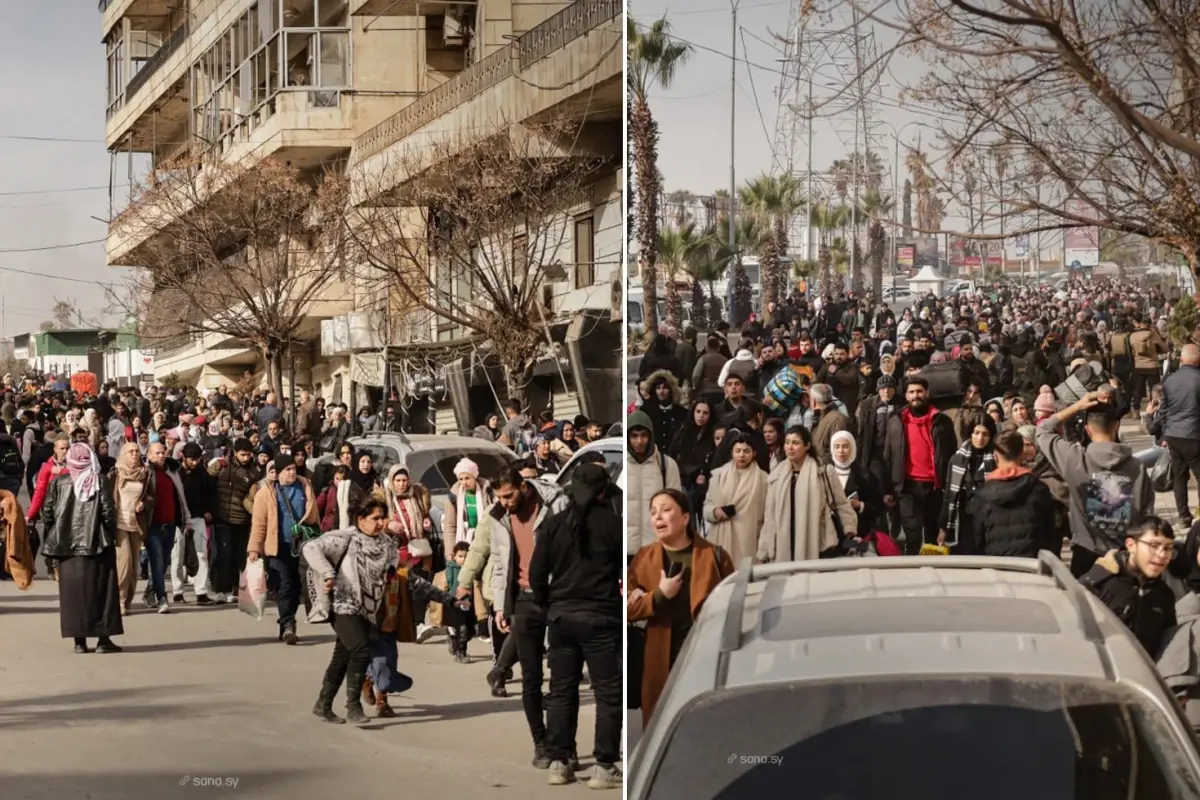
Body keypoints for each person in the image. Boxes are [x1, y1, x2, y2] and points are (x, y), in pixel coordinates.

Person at [303, 497, 456, 725]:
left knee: (341, 658)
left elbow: (408, 579)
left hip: (369, 610)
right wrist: (327, 574)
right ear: (360, 519)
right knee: (361, 650)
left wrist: (447, 598)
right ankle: (353, 706)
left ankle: (323, 704)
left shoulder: (386, 545)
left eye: (383, 517)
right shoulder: (346, 538)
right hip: (343, 605)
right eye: (375, 518)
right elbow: (311, 547)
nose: (380, 522)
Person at [529, 463, 623, 790]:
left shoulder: (553, 525)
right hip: (601, 618)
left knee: (561, 691)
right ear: (602, 492)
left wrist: (548, 604)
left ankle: (560, 761)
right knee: (608, 694)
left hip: (561, 618)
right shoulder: (613, 525)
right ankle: (604, 766)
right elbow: (628, 568)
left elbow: (537, 573)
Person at [627, 489, 734, 727]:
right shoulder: (645, 558)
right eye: (653, 513)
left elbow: (735, 607)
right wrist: (658, 597)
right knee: (660, 729)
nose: (658, 518)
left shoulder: (714, 556)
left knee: (704, 726)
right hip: (658, 660)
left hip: (703, 659)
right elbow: (625, 609)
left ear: (686, 518)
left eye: (666, 510)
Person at [488, 467, 570, 769]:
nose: (506, 502)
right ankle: (541, 743)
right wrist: (500, 606)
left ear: (523, 486)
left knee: (563, 676)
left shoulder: (554, 503)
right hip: (522, 599)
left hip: (556, 597)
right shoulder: (497, 515)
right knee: (531, 678)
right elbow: (499, 561)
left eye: (509, 495)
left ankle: (565, 743)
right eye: (500, 497)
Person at [1036, 393, 1155, 577]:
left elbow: (1043, 430)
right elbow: (1147, 515)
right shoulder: (1137, 467)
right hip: (1125, 554)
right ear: (1116, 427)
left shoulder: (1074, 459)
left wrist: (1076, 406)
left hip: (1086, 553)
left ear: (1088, 430)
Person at [41, 443, 123, 654]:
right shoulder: (99, 481)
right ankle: (103, 639)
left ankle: (79, 641)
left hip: (67, 549)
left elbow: (47, 513)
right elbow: (108, 513)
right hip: (97, 546)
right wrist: (110, 536)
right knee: (103, 593)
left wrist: (57, 538)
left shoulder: (59, 483)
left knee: (73, 596)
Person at [1078, 516, 1177, 657]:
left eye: (1167, 548)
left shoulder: (1164, 595)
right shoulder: (1097, 584)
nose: (1162, 554)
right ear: (1131, 545)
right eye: (1153, 546)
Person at [758, 426, 856, 562]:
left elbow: (841, 504)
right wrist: (763, 550)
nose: (790, 447)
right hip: (784, 542)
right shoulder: (777, 475)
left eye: (796, 443)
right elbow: (769, 517)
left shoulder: (823, 472)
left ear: (807, 445)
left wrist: (850, 532)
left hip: (817, 541)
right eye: (787, 442)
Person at [881, 377, 957, 555]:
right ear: (906, 396)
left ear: (927, 393)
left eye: (919, 391)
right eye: (912, 392)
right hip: (907, 486)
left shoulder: (942, 421)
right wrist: (888, 489)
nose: (916, 395)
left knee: (933, 535)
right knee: (912, 534)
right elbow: (888, 456)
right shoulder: (896, 421)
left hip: (935, 487)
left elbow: (952, 455)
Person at [248, 454, 318, 644]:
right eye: (287, 470)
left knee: (296, 588)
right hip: (277, 548)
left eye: (294, 468)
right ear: (278, 473)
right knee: (285, 585)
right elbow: (259, 524)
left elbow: (314, 518)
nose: (292, 472)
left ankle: (286, 620)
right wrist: (254, 548)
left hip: (301, 546)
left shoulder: (305, 487)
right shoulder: (266, 493)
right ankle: (288, 624)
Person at [966, 429, 1059, 558]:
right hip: (1032, 567)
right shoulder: (1039, 489)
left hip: (995, 569)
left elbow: (975, 540)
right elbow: (1050, 536)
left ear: (996, 456)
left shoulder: (981, 495)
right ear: (1022, 454)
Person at [703, 439, 768, 566]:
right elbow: (707, 506)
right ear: (732, 453)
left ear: (754, 453)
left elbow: (767, 516)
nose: (741, 455)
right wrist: (716, 512)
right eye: (737, 451)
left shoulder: (763, 479)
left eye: (746, 451)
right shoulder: (719, 475)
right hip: (721, 539)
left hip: (748, 540)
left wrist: (763, 550)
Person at [144, 441, 191, 613]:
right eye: (156, 453)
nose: (160, 456)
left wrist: (187, 518)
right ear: (148, 455)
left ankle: (150, 590)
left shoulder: (172, 472)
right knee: (157, 562)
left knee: (163, 563)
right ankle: (162, 597)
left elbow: (180, 497)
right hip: (153, 526)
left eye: (162, 452)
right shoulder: (146, 473)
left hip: (170, 525)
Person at [937, 418, 996, 554]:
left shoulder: (995, 459)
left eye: (985, 434)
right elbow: (949, 495)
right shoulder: (957, 459)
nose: (980, 438)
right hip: (962, 520)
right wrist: (943, 527)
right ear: (970, 434)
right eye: (976, 433)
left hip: (987, 520)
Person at [211, 438, 259, 603]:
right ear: (235, 453)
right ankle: (220, 589)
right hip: (222, 517)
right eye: (242, 454)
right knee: (223, 554)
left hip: (241, 519)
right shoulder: (223, 467)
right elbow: (208, 480)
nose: (246, 458)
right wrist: (213, 469)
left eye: (248, 455)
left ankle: (234, 589)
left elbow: (252, 497)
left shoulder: (253, 473)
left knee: (238, 556)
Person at [626, 410, 681, 554]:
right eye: (634, 436)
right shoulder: (620, 467)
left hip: (658, 547)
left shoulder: (666, 465)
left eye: (644, 435)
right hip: (626, 550)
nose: (639, 441)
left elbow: (676, 508)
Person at [1158, 343, 1200, 528]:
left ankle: (1183, 516)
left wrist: (1165, 433)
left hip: (1174, 434)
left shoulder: (1169, 380)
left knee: (1179, 477)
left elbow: (1163, 410)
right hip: (1194, 434)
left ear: (1182, 360)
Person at [110, 441, 150, 614]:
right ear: (124, 454)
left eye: (137, 451)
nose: (134, 454)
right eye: (130, 451)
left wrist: (145, 503)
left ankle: (128, 600)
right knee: (124, 563)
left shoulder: (145, 473)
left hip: (137, 524)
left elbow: (152, 496)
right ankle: (119, 599)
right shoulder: (116, 473)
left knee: (134, 567)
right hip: (120, 523)